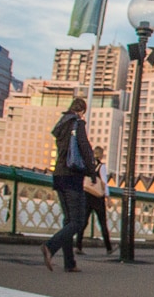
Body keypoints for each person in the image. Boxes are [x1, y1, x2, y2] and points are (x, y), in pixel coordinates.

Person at [42, 98, 97, 273]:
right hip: (72, 176)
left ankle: (69, 263)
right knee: (78, 221)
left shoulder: (62, 124)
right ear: (81, 111)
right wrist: (92, 172)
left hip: (58, 175)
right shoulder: (77, 124)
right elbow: (84, 147)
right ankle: (50, 247)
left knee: (68, 220)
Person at [79, 145, 112, 256]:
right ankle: (108, 247)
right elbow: (104, 183)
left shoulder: (87, 165)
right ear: (101, 155)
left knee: (84, 221)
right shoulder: (101, 166)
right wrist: (108, 197)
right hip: (98, 198)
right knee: (102, 223)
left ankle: (78, 245)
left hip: (87, 195)